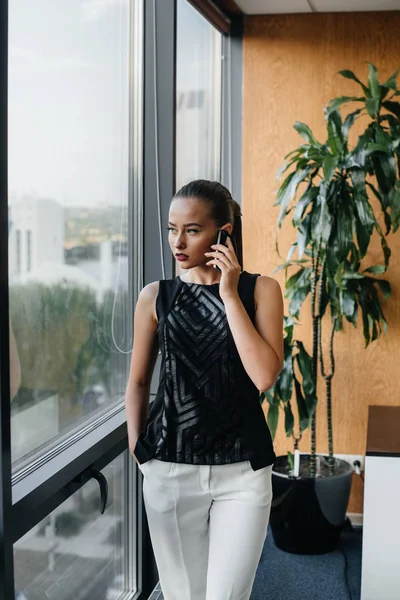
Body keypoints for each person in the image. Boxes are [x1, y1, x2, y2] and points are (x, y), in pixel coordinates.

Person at [125, 180, 283, 600]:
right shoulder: (156, 297)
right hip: (169, 468)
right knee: (183, 595)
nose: (178, 241)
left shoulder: (260, 291)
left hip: (243, 473)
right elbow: (139, 381)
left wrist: (229, 295)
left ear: (224, 232)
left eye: (192, 230)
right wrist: (140, 453)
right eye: (172, 229)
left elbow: (264, 376)